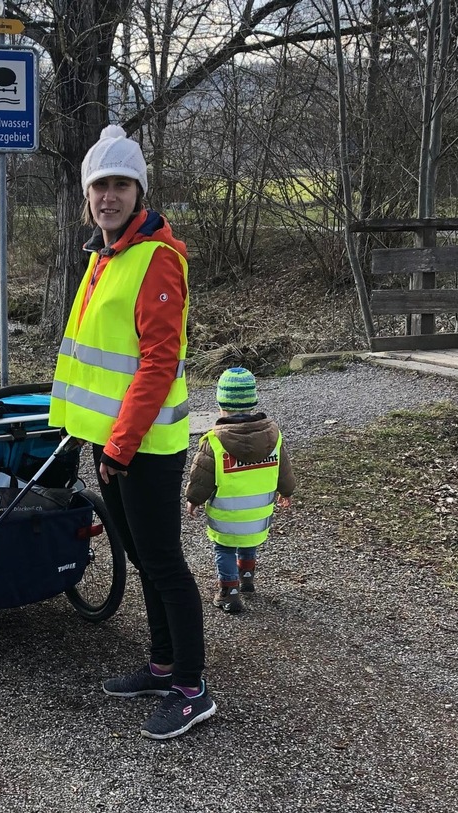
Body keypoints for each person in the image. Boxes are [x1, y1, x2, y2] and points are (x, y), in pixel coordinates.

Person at [49, 124, 214, 740]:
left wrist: (119, 446)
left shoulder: (156, 259)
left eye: (120, 185)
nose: (109, 195)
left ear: (138, 192)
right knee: (143, 558)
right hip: (111, 442)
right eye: (100, 185)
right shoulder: (105, 255)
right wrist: (90, 434)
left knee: (164, 562)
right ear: (88, 195)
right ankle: (163, 663)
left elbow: (158, 362)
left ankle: (192, 688)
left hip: (145, 446)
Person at [185, 367, 295, 614]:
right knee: (247, 541)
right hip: (258, 517)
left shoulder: (214, 441)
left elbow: (201, 477)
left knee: (224, 548)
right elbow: (284, 470)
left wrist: (193, 499)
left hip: (226, 517)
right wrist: (286, 492)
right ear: (254, 402)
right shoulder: (273, 438)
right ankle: (246, 578)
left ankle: (229, 592)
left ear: (221, 405)